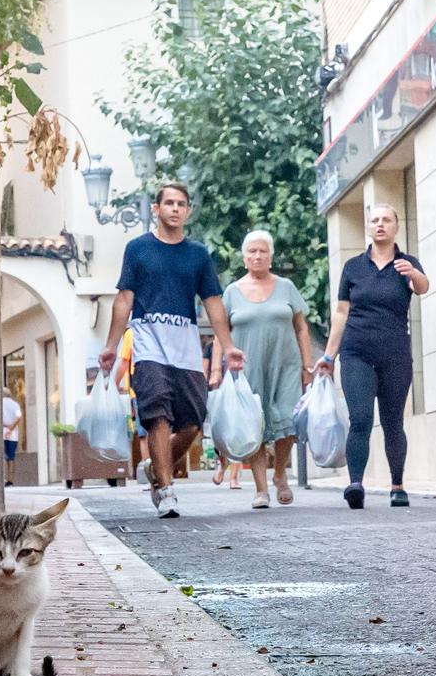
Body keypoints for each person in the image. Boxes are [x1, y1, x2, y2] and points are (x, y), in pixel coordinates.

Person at [98, 182, 244, 519]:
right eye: (169, 203)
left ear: (188, 211)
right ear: (156, 208)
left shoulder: (198, 255)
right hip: (148, 345)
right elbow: (124, 299)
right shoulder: (137, 249)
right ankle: (165, 490)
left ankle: (155, 468)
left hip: (186, 348)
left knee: (193, 423)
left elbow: (213, 302)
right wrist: (111, 345)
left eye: (181, 204)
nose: (175, 208)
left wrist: (229, 345)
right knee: (157, 415)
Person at [315, 203, 428, 509]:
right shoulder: (353, 267)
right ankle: (355, 484)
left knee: (393, 422)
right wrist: (328, 356)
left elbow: (423, 288)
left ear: (396, 227)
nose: (380, 225)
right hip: (356, 353)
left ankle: (397, 485)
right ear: (368, 227)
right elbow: (341, 313)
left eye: (386, 220)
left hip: (395, 353)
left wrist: (414, 273)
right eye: (375, 220)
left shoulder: (407, 263)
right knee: (361, 419)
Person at [224, 229, 317, 509]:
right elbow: (222, 333)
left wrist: (307, 364)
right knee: (255, 425)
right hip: (248, 368)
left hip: (286, 364)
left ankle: (280, 475)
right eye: (252, 251)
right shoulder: (232, 291)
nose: (258, 255)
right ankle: (261, 489)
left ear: (271, 257)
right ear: (244, 258)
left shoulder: (286, 286)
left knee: (288, 420)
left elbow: (301, 327)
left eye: (263, 250)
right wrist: (218, 372)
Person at [1, 380, 24, 486]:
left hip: (2, 431)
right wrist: (12, 427)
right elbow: (18, 416)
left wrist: (7, 428)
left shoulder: (0, 404)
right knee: (11, 457)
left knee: (3, 456)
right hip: (12, 434)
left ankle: (4, 478)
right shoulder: (15, 404)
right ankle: (11, 479)